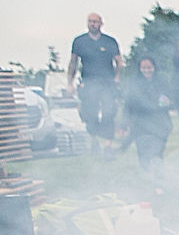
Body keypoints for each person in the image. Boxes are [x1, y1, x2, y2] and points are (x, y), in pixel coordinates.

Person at [66, 12, 123, 156]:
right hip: (88, 82)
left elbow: (119, 62)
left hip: (107, 83)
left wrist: (117, 78)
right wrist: (70, 83)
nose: (93, 24)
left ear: (101, 24)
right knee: (90, 113)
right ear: (87, 23)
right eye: (90, 21)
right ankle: (94, 140)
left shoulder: (110, 41)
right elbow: (73, 63)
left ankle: (108, 144)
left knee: (108, 112)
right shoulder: (79, 41)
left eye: (96, 22)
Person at [123, 56, 172, 192]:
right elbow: (128, 104)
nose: (147, 70)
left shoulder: (162, 81)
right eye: (144, 68)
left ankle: (159, 183)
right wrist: (124, 123)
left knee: (156, 153)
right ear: (139, 68)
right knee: (143, 154)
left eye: (149, 67)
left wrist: (168, 102)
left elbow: (171, 99)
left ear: (154, 68)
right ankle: (147, 182)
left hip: (160, 124)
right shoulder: (134, 82)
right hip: (140, 125)